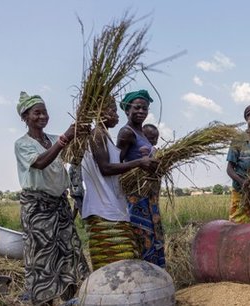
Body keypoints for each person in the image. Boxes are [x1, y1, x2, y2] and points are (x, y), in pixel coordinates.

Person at [14, 91, 89, 305]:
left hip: (59, 205)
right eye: (37, 113)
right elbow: (40, 163)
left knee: (70, 252)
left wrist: (82, 135)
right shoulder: (22, 144)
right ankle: (44, 302)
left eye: (45, 112)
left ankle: (72, 299)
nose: (42, 116)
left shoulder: (54, 139)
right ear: (25, 117)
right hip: (37, 208)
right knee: (41, 257)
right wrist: (66, 138)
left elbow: (74, 155)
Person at [81, 97, 158, 271]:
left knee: (123, 263)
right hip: (102, 210)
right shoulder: (97, 134)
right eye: (113, 111)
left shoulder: (104, 135)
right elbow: (105, 168)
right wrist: (139, 163)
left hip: (113, 209)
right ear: (99, 112)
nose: (116, 115)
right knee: (113, 267)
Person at [116, 90, 166, 267]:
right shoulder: (126, 133)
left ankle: (157, 278)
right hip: (136, 196)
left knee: (154, 235)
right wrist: (139, 163)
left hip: (149, 195)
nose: (141, 111)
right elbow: (117, 164)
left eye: (144, 108)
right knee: (142, 237)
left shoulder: (143, 134)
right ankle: (146, 278)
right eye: (137, 107)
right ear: (127, 109)